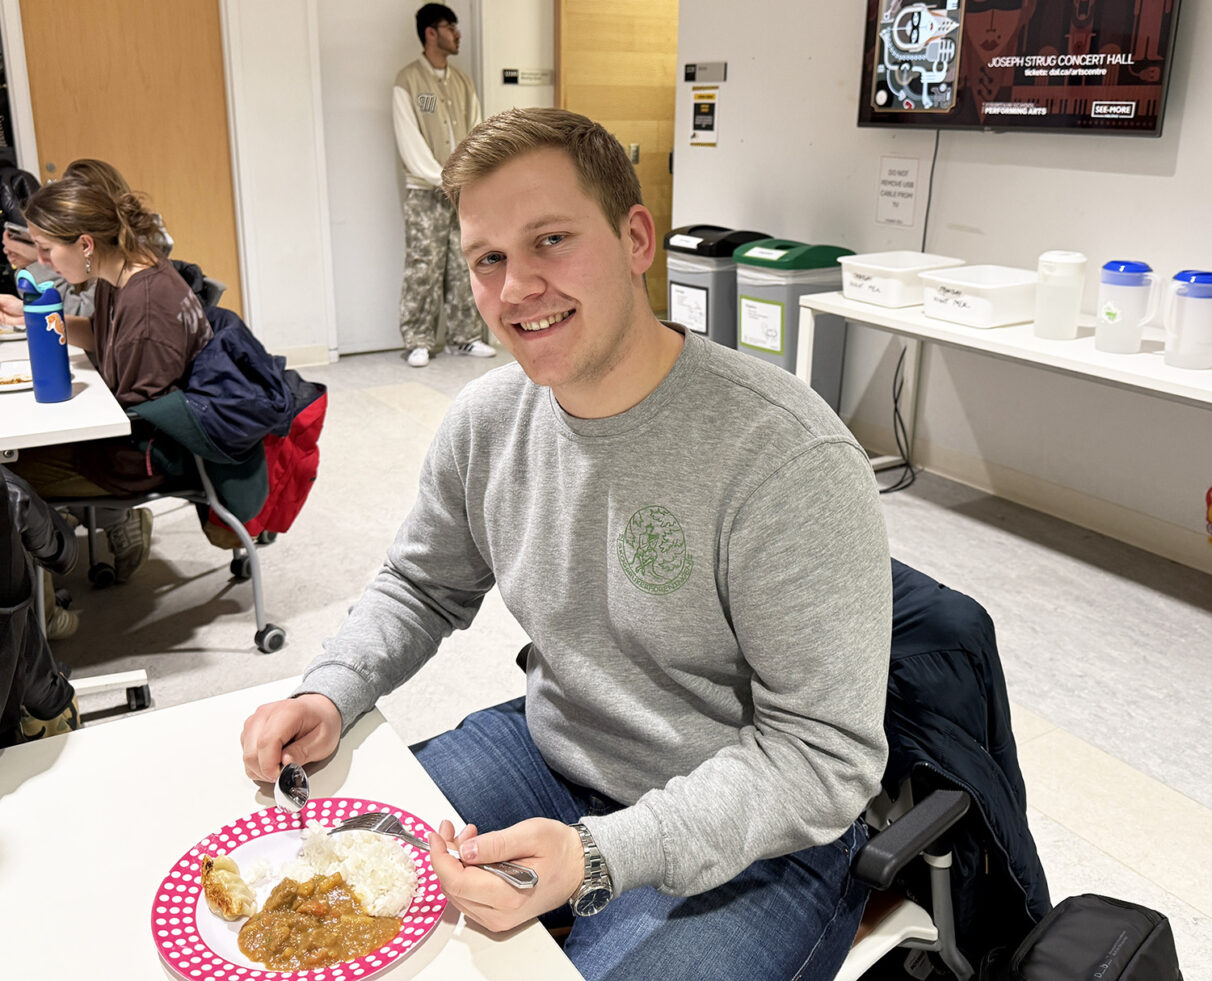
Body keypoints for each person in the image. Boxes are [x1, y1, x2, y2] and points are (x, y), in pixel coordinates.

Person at [242, 108, 892, 980]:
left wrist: (599, 855)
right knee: (329, 883)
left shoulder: (783, 456)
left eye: (550, 240)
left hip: (757, 829)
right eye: (489, 259)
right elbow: (422, 583)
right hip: (553, 750)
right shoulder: (488, 420)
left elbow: (824, 756)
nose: (516, 289)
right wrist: (331, 691)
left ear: (635, 239)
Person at [0, 175, 212, 583]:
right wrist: (36, 321)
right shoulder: (122, 274)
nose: (42, 262)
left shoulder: (144, 306)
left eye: (47, 249)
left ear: (85, 244)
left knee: (12, 480)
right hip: (140, 432)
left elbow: (133, 416)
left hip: (151, 454)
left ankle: (41, 605)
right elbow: (101, 335)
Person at [392, 3, 494, 367]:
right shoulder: (409, 82)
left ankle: (464, 336)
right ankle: (417, 339)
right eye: (451, 27)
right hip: (425, 191)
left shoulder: (463, 82)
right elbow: (410, 142)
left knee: (465, 262)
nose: (458, 34)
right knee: (424, 264)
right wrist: (443, 179)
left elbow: (479, 130)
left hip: (464, 192)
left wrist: (471, 177)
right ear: (431, 33)